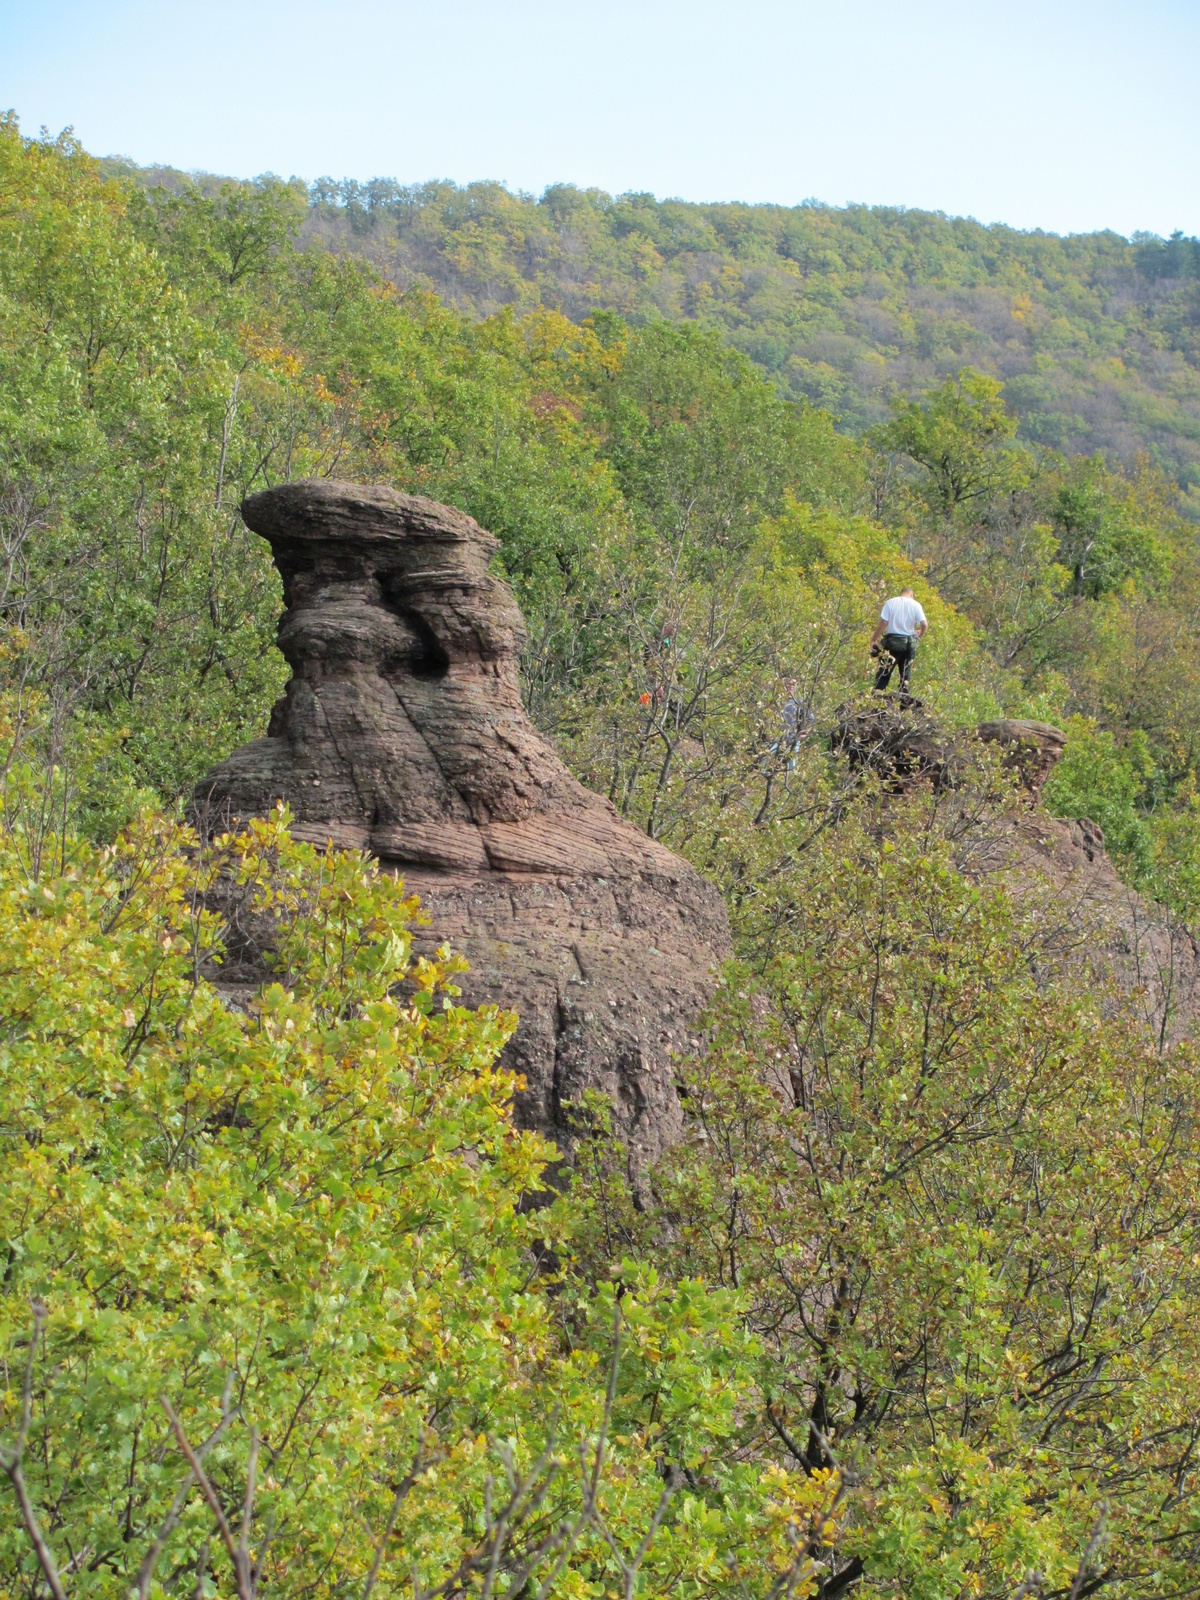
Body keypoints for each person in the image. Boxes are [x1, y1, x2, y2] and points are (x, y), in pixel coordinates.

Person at [870, 588, 927, 696]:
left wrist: (873, 640)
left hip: (891, 644)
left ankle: (878, 696)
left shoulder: (890, 602)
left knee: (884, 673)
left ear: (901, 593)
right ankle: (904, 700)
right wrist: (919, 635)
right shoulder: (916, 605)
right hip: (908, 645)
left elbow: (883, 624)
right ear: (912, 595)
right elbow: (924, 624)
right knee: (905, 675)